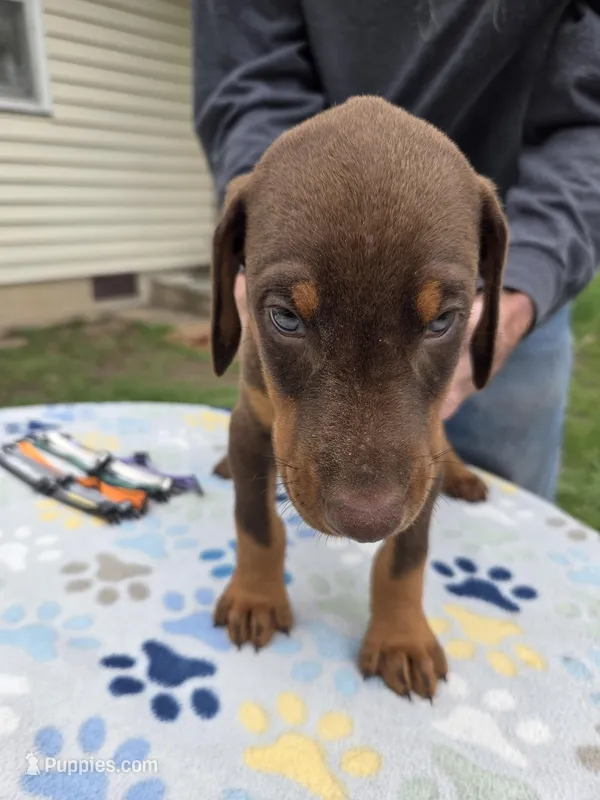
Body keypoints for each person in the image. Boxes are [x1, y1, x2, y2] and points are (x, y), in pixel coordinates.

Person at [192, 0, 600, 500]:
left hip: (505, 262)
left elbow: (592, 115)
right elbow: (250, 77)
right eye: (288, 318)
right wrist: (274, 228)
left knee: (500, 496)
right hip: (309, 236)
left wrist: (529, 275)